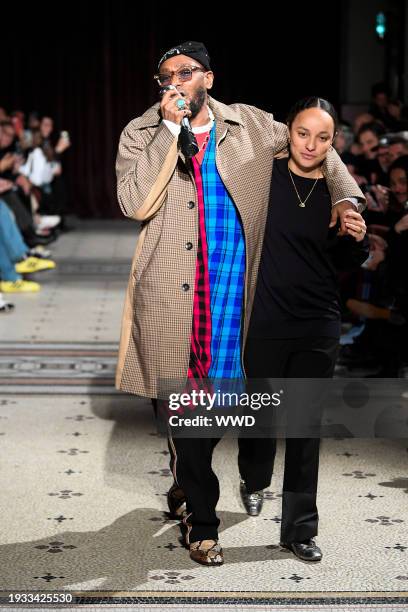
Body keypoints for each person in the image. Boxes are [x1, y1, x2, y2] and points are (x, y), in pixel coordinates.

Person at [115, 41, 366, 566]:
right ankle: (203, 525)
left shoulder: (250, 125)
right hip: (170, 290)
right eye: (165, 76)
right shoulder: (140, 133)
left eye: (184, 72)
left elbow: (321, 143)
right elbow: (134, 203)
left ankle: (189, 483)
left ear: (209, 76)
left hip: (237, 294)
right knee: (185, 416)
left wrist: (345, 197)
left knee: (216, 412)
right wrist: (167, 132)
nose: (174, 82)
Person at [243, 97, 368, 563]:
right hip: (263, 320)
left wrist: (355, 241)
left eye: (322, 137)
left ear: (333, 143)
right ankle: (253, 478)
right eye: (302, 133)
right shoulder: (263, 177)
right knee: (260, 419)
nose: (311, 144)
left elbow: (342, 263)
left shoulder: (342, 197)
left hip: (317, 322)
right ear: (287, 132)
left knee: (304, 429)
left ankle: (298, 529)